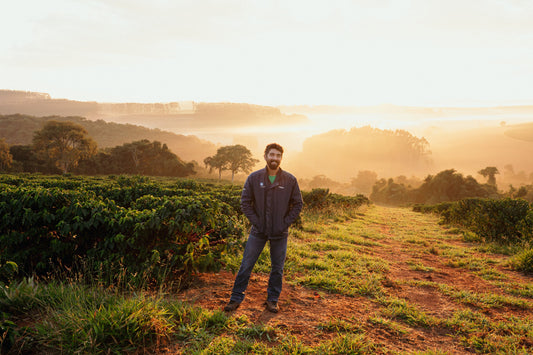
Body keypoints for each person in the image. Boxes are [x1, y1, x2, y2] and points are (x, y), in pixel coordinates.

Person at [224, 143, 303, 313]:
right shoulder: (254, 178)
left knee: (277, 268)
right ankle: (236, 298)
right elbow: (245, 202)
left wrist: (284, 223)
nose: (275, 158)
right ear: (265, 156)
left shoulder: (290, 180)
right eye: (272, 155)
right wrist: (257, 222)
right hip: (258, 231)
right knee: (246, 264)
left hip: (280, 232)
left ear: (281, 158)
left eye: (278, 156)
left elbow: (298, 204)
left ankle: (272, 300)